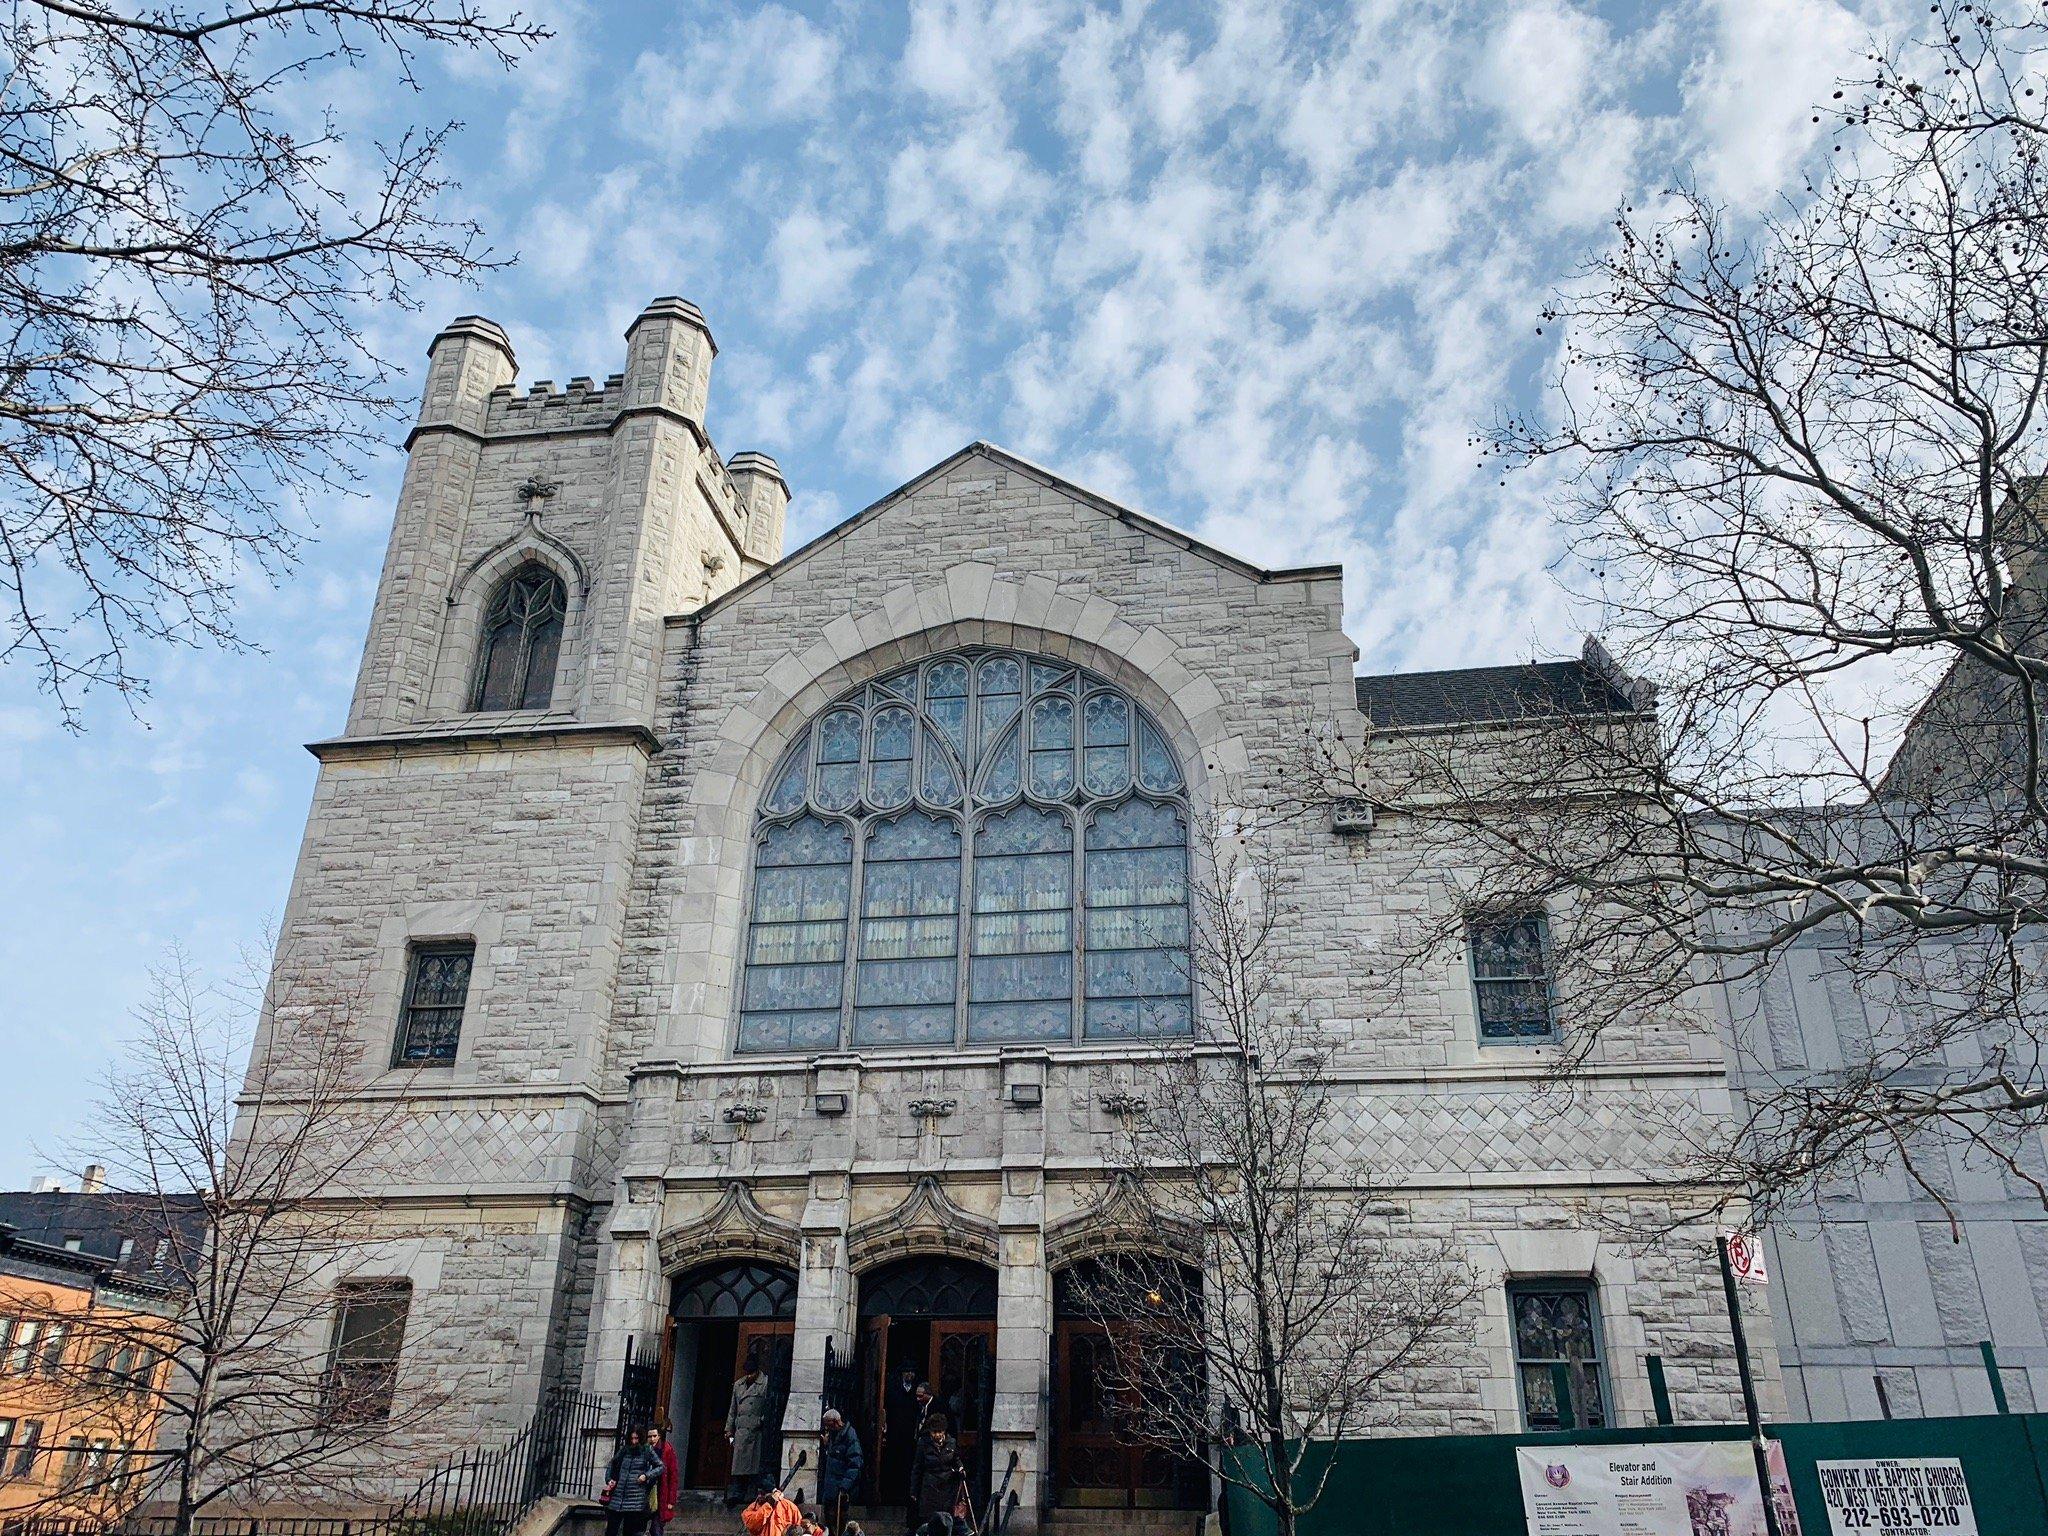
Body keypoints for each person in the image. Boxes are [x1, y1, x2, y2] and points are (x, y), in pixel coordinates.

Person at [727, 1341, 777, 1507]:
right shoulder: (738, 1385)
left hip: (755, 1432)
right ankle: (736, 1494)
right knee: (739, 1466)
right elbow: (732, 1409)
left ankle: (751, 1493)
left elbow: (769, 1407)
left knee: (753, 1466)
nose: (748, 1375)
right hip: (741, 1431)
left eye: (751, 1372)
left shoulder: (765, 1384)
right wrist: (729, 1429)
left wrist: (760, 1421)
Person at [907, 1412, 964, 1536]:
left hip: (947, 1488)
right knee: (929, 1522)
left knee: (946, 1521)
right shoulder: (923, 1443)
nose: (937, 1435)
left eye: (940, 1432)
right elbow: (917, 1468)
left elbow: (956, 1459)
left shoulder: (951, 1442)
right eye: (934, 1432)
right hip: (930, 1488)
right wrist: (913, 1491)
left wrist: (960, 1468)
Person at [601, 1426, 665, 1536]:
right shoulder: (625, 1450)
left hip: (635, 1499)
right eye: (632, 1438)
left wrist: (646, 1476)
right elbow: (612, 1464)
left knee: (630, 1531)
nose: (634, 1441)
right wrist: (609, 1479)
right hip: (618, 1497)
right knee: (611, 1530)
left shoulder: (647, 1450)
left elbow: (661, 1467)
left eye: (636, 1438)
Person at [816, 1407, 864, 1534]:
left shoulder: (849, 1437)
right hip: (830, 1487)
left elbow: (855, 1464)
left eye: (829, 1425)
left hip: (840, 1488)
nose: (827, 1428)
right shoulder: (833, 1435)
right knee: (829, 1519)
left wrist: (844, 1486)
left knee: (839, 1521)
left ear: (836, 1422)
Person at [648, 1423, 679, 1536]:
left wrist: (671, 1500)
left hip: (661, 1492)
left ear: (659, 1436)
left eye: (654, 1436)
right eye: (649, 1436)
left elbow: (673, 1476)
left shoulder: (667, 1449)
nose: (652, 1439)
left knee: (656, 1528)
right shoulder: (645, 1449)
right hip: (646, 1492)